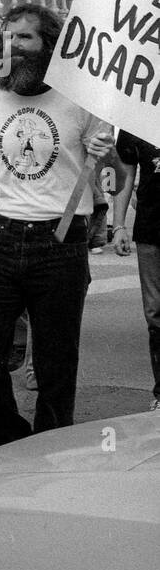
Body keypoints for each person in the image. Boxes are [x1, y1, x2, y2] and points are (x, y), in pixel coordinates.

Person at [0, 4, 115, 450]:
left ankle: (48, 456)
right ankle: (8, 445)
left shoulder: (82, 99)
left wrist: (106, 151)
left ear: (49, 46)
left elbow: (116, 174)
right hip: (3, 240)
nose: (13, 47)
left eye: (24, 39)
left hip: (61, 241)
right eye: (7, 38)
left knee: (55, 366)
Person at [109, 130, 160, 412]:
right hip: (152, 229)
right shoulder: (137, 115)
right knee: (155, 314)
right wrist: (118, 225)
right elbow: (125, 173)